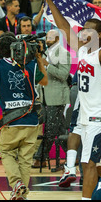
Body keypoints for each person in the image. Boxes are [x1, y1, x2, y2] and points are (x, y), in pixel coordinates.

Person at [43, 0, 101, 200]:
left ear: (98, 35)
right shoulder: (81, 50)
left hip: (99, 117)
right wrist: (50, 2)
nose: (83, 33)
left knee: (88, 164)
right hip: (86, 117)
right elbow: (62, 26)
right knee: (97, 166)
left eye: (88, 30)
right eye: (83, 30)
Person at [0, 32, 48, 200]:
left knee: (6, 151)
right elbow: (44, 81)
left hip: (11, 120)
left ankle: (16, 183)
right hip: (31, 121)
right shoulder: (31, 65)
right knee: (25, 159)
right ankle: (21, 194)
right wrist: (37, 57)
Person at [33, 29, 71, 169]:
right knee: (59, 128)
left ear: (56, 39)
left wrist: (47, 65)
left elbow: (64, 75)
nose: (46, 40)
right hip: (45, 96)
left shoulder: (63, 53)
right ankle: (72, 155)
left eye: (49, 37)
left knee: (50, 129)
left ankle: (40, 158)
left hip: (57, 96)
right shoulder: (45, 52)